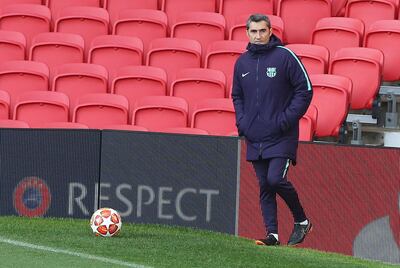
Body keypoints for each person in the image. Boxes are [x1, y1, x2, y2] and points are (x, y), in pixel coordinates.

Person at [231, 14, 313, 246]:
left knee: (275, 179)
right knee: (265, 185)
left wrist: (285, 120)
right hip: (254, 135)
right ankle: (272, 235)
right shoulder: (242, 62)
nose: (258, 36)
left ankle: (302, 221)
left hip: (281, 135)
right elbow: (236, 95)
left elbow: (305, 90)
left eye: (262, 31)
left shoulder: (285, 56)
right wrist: (243, 123)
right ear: (247, 33)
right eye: (253, 32)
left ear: (270, 31)